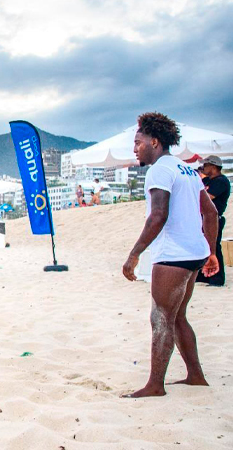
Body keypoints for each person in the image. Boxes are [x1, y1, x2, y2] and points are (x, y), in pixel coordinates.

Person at [121, 112, 219, 398]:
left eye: (138, 142)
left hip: (173, 255)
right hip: (194, 253)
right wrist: (211, 253)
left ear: (154, 141)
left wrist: (134, 254)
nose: (135, 148)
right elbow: (210, 213)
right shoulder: (187, 169)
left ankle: (155, 385)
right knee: (177, 317)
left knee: (161, 318)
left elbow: (158, 216)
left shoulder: (160, 169)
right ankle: (195, 376)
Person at [196, 155, 230, 286]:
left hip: (214, 218)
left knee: (214, 247)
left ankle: (218, 278)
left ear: (214, 167)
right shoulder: (208, 181)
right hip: (204, 218)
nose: (203, 168)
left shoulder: (221, 181)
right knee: (203, 246)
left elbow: (207, 197)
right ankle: (204, 275)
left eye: (205, 166)